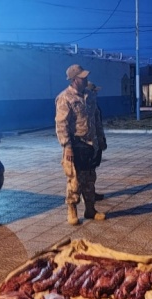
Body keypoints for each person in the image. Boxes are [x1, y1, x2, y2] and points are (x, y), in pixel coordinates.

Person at [55, 64, 106, 225]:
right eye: (83, 77)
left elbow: (96, 119)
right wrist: (67, 146)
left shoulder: (89, 96)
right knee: (75, 180)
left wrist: (101, 139)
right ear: (75, 79)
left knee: (90, 179)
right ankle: (72, 210)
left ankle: (90, 210)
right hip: (75, 145)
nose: (86, 79)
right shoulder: (65, 98)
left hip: (91, 144)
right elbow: (61, 124)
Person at [85, 81, 107, 201]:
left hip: (96, 142)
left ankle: (91, 192)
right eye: (94, 91)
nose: (95, 93)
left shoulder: (93, 104)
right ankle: (85, 195)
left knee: (92, 170)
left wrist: (101, 139)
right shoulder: (84, 105)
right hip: (87, 143)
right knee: (86, 171)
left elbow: (98, 124)